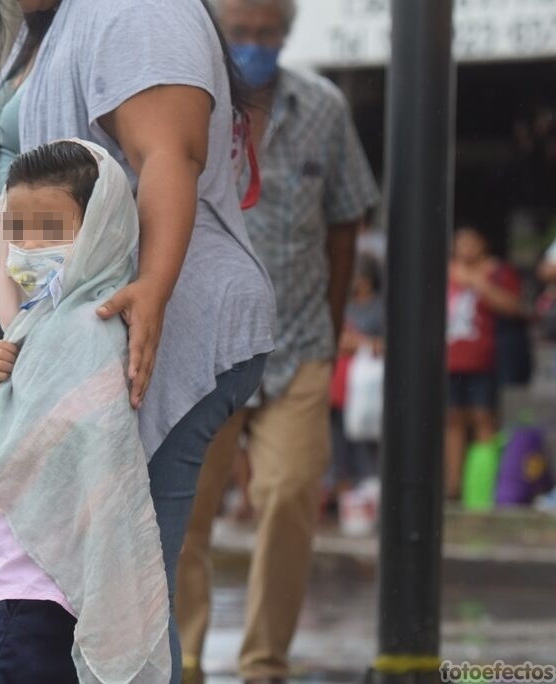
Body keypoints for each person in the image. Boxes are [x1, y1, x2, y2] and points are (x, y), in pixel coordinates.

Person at [0, 1, 277, 678]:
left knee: (120, 601)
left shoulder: (137, 8)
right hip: (83, 337)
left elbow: (169, 149)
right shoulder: (56, 19)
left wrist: (152, 287)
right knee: (101, 597)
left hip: (140, 335)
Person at [174, 1, 380, 682]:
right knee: (185, 509)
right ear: (217, 32)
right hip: (205, 347)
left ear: (287, 34)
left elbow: (346, 221)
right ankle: (184, 657)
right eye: (241, 34)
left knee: (292, 494)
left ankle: (265, 663)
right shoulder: (184, 100)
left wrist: (329, 324)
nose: (255, 46)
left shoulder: (323, 108)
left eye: (268, 34)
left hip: (298, 344)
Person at [0, 140, 171, 682]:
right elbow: (44, 407)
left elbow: (80, 432)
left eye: (49, 229)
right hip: (28, 583)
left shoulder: (88, 326)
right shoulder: (42, 322)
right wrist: (2, 376)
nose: (28, 246)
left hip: (33, 587)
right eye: (17, 229)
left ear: (98, 231)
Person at [445, 225, 523, 500]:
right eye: (459, 242)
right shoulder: (446, 271)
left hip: (484, 358)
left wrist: (477, 283)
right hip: (450, 359)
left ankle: (483, 488)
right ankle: (453, 486)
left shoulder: (497, 271)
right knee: (452, 418)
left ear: (483, 244)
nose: (464, 248)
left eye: (470, 242)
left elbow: (514, 307)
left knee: (482, 416)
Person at [327, 254, 385, 500]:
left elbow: (386, 344)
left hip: (366, 386)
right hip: (338, 382)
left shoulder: (379, 308)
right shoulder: (342, 304)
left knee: (363, 435)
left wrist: (360, 343)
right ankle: (340, 488)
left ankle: (368, 485)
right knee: (337, 438)